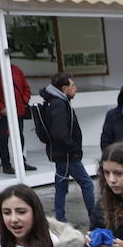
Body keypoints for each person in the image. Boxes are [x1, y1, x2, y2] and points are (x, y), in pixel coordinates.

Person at [38, 73, 97, 223]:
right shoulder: (59, 104)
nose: (75, 89)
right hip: (66, 154)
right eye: (73, 86)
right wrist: (73, 148)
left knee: (61, 186)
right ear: (64, 89)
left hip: (61, 154)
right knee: (87, 183)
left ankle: (60, 218)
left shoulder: (56, 101)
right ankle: (94, 217)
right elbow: (59, 133)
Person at [0, 47, 33, 175]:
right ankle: (6, 164)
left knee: (19, 137)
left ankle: (21, 161)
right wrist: (1, 108)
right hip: (3, 113)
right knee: (4, 139)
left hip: (19, 111)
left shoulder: (16, 70)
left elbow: (26, 87)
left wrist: (24, 100)